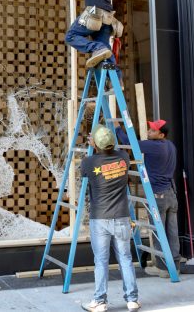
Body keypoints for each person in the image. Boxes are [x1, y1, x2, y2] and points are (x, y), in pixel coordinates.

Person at [80, 125, 141, 312]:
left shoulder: (88, 162)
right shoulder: (123, 157)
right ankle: (132, 300)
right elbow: (110, 152)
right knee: (125, 258)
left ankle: (99, 302)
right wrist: (99, 145)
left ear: (95, 145)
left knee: (101, 260)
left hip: (100, 218)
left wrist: (93, 146)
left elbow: (87, 174)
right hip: (122, 216)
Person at [117, 119, 180, 274]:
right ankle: (175, 266)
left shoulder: (154, 146)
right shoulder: (170, 145)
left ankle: (163, 269)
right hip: (171, 195)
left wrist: (118, 128)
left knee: (159, 233)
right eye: (150, 129)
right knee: (172, 232)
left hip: (159, 196)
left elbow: (127, 141)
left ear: (161, 134)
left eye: (152, 131)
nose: (149, 132)